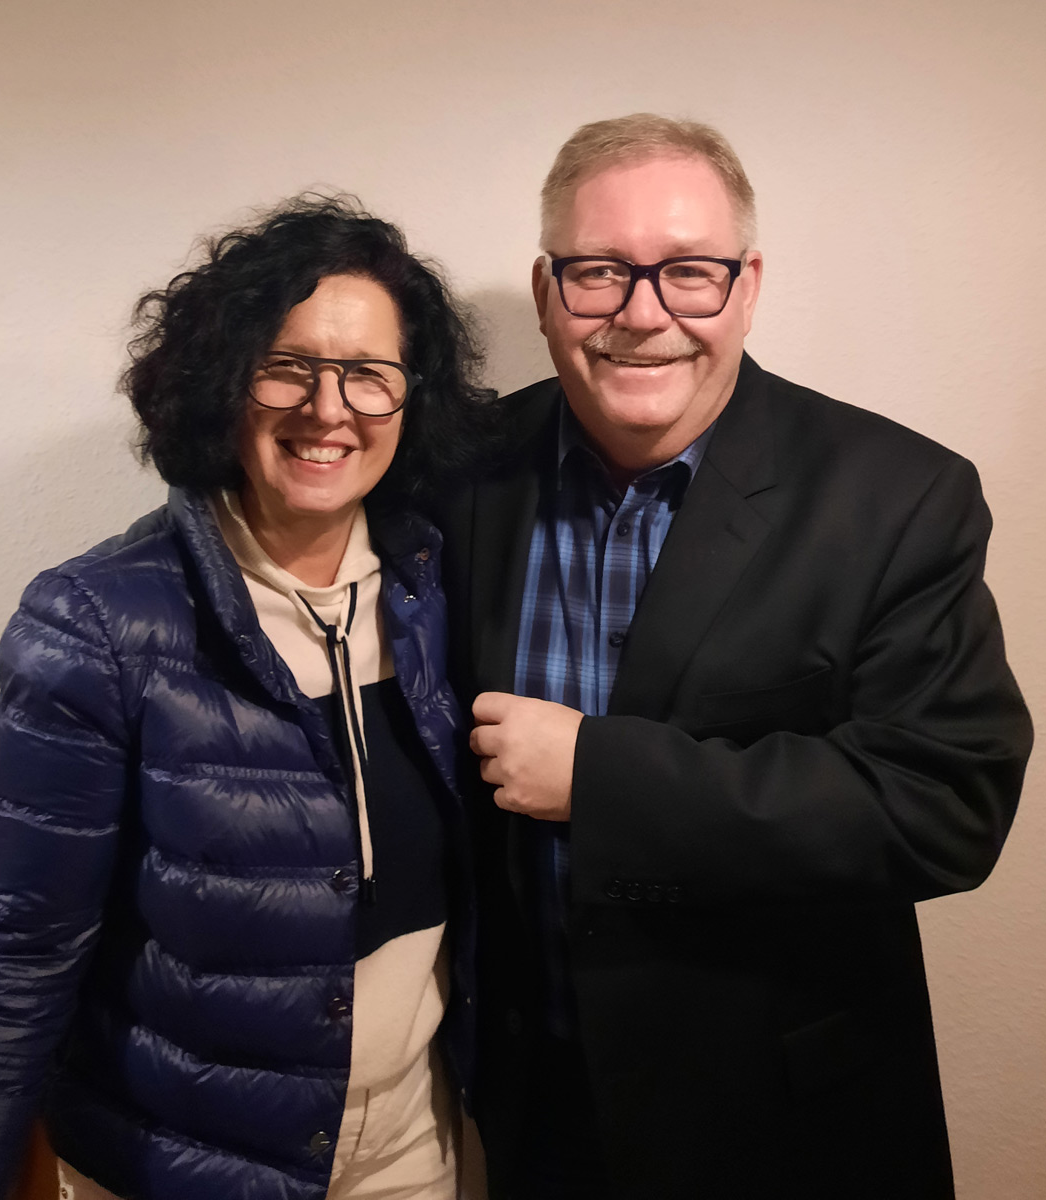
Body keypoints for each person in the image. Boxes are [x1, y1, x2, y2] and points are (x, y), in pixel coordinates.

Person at [434, 114, 1033, 1200]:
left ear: (748, 284)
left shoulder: (898, 496)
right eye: (600, 272)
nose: (642, 315)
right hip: (535, 1110)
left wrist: (601, 780)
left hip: (788, 1127)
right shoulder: (461, 471)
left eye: (689, 273)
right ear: (544, 290)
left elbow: (946, 806)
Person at [0, 196, 494, 1200]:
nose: (328, 408)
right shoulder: (96, 622)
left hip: (406, 1158)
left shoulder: (436, 583)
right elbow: (12, 953)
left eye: (367, 375)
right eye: (289, 367)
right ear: (224, 380)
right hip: (178, 1168)